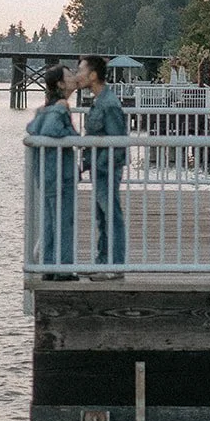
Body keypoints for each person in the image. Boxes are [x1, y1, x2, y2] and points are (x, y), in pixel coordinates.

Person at [26, 65, 79, 279]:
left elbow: (33, 128)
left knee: (49, 221)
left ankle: (48, 267)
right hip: (59, 173)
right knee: (64, 221)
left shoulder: (43, 110)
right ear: (60, 83)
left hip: (46, 173)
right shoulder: (60, 107)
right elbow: (52, 130)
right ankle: (64, 269)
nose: (74, 77)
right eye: (69, 75)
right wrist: (73, 136)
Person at [79, 54, 128, 274]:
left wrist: (101, 165)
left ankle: (115, 266)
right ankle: (102, 262)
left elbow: (117, 141)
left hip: (106, 169)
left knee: (112, 216)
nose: (78, 75)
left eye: (82, 71)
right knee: (102, 217)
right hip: (98, 168)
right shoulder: (99, 100)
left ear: (93, 75)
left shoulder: (109, 103)